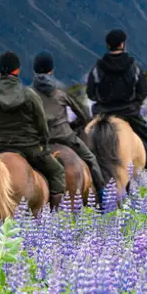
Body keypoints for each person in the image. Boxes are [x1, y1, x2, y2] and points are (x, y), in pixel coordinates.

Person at [0, 52, 66, 208]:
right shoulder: (29, 94)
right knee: (57, 171)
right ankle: (54, 215)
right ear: (17, 70)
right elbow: (41, 123)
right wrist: (43, 144)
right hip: (28, 147)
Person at [31, 52, 107, 206]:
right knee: (91, 160)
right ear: (51, 71)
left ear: (35, 71)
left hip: (39, 141)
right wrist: (71, 126)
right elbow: (84, 116)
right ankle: (103, 197)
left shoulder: (29, 94)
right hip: (65, 137)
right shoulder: (61, 93)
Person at [86, 29, 147, 168]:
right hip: (128, 113)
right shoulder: (133, 67)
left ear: (108, 45)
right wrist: (135, 104)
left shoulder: (97, 68)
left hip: (103, 113)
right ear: (122, 44)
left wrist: (102, 100)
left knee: (82, 140)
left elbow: (90, 93)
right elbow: (142, 92)